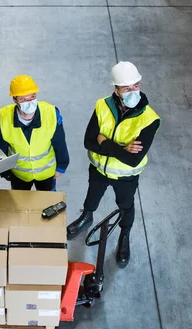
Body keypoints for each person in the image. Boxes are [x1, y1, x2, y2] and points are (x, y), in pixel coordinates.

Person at [66, 62, 160, 268]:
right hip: (99, 170)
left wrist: (106, 142)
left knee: (126, 206)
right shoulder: (102, 106)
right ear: (116, 90)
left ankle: (124, 236)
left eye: (136, 85)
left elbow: (133, 159)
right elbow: (88, 142)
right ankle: (86, 216)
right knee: (92, 197)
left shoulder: (149, 119)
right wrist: (122, 148)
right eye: (126, 88)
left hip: (126, 177)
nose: (133, 91)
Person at [0, 75, 69, 191]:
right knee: (21, 203)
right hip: (19, 174)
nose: (29, 102)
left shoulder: (51, 113)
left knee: (46, 203)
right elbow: (0, 147)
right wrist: (5, 171)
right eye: (23, 99)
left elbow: (59, 142)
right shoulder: (4, 117)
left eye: (32, 97)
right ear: (15, 100)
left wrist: (61, 167)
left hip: (46, 173)